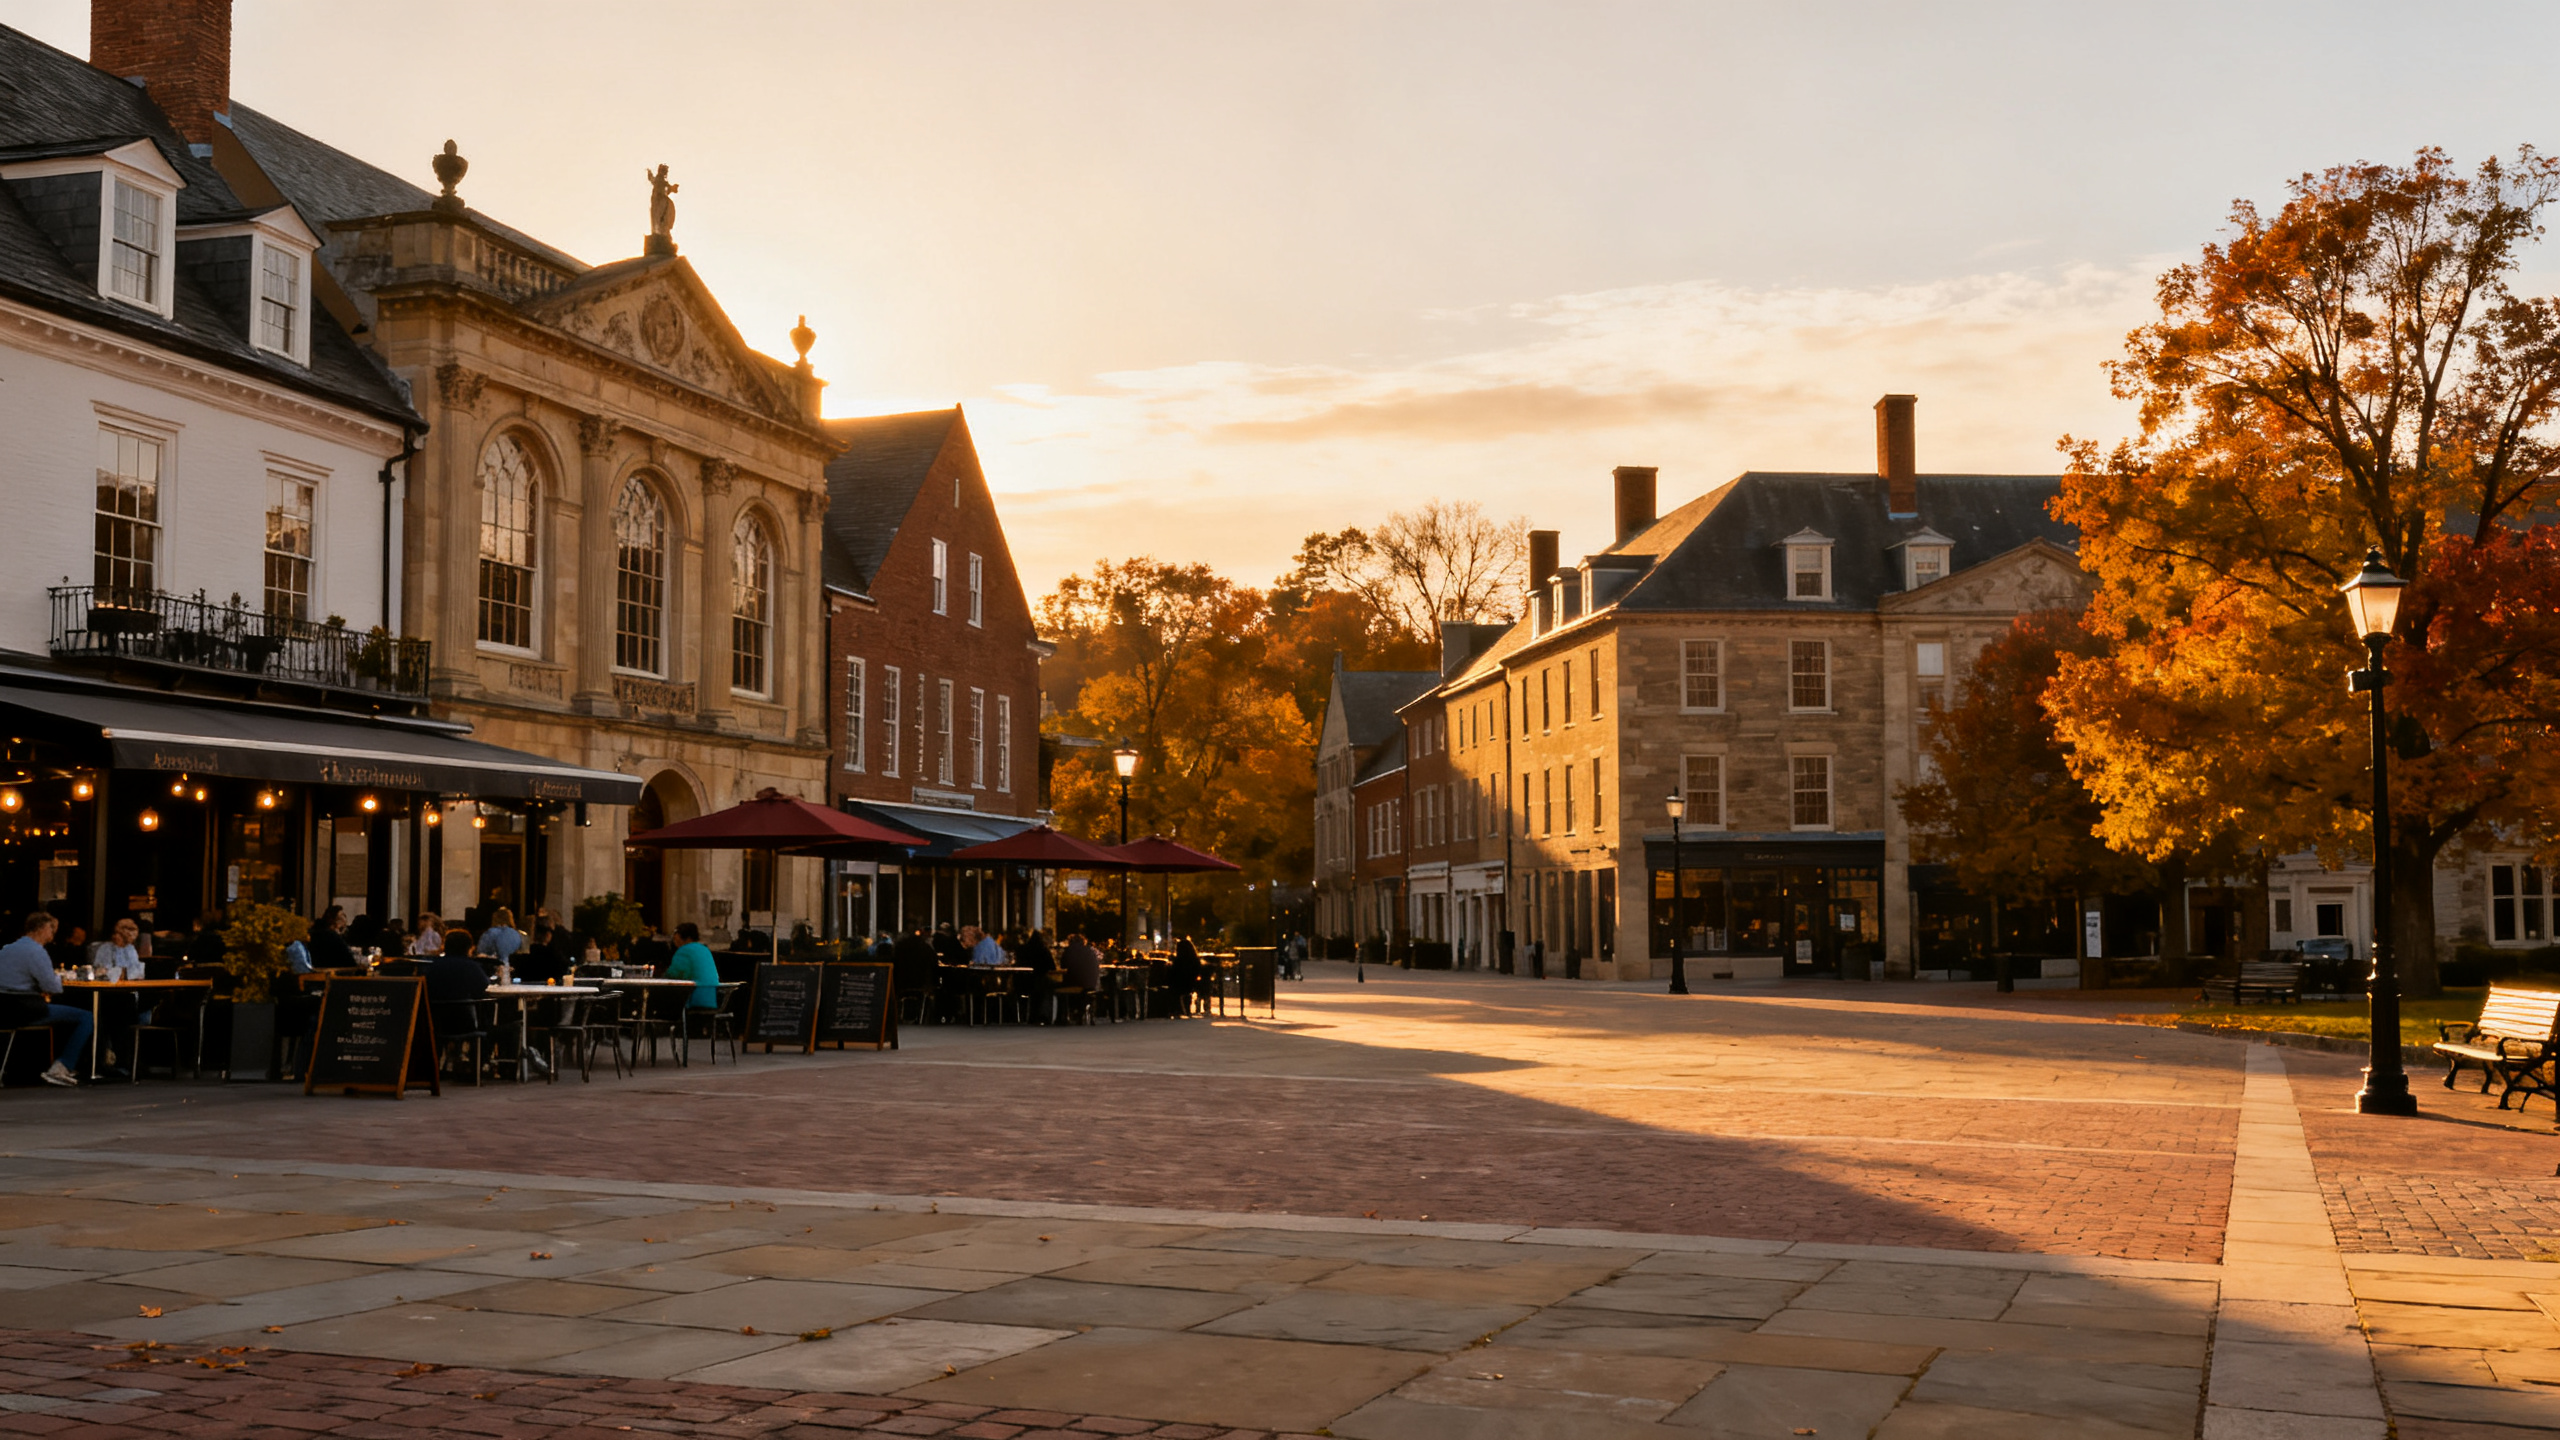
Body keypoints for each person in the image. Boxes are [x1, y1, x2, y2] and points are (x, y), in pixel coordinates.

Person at [0, 912, 86, 1086]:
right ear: (42, 928)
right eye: (51, 928)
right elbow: (52, 987)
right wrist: (59, 979)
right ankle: (62, 1066)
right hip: (25, 1009)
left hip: (3, 1007)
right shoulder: (36, 951)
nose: (53, 933)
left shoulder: (6, 949)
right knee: (86, 1017)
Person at [664, 923, 721, 1011]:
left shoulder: (684, 951)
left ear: (679, 936)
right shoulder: (705, 949)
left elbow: (673, 974)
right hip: (711, 999)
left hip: (694, 1000)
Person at [305, 906, 356, 971]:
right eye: (342, 916)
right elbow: (349, 962)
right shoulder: (332, 937)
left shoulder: (315, 934)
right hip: (336, 974)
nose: (344, 919)